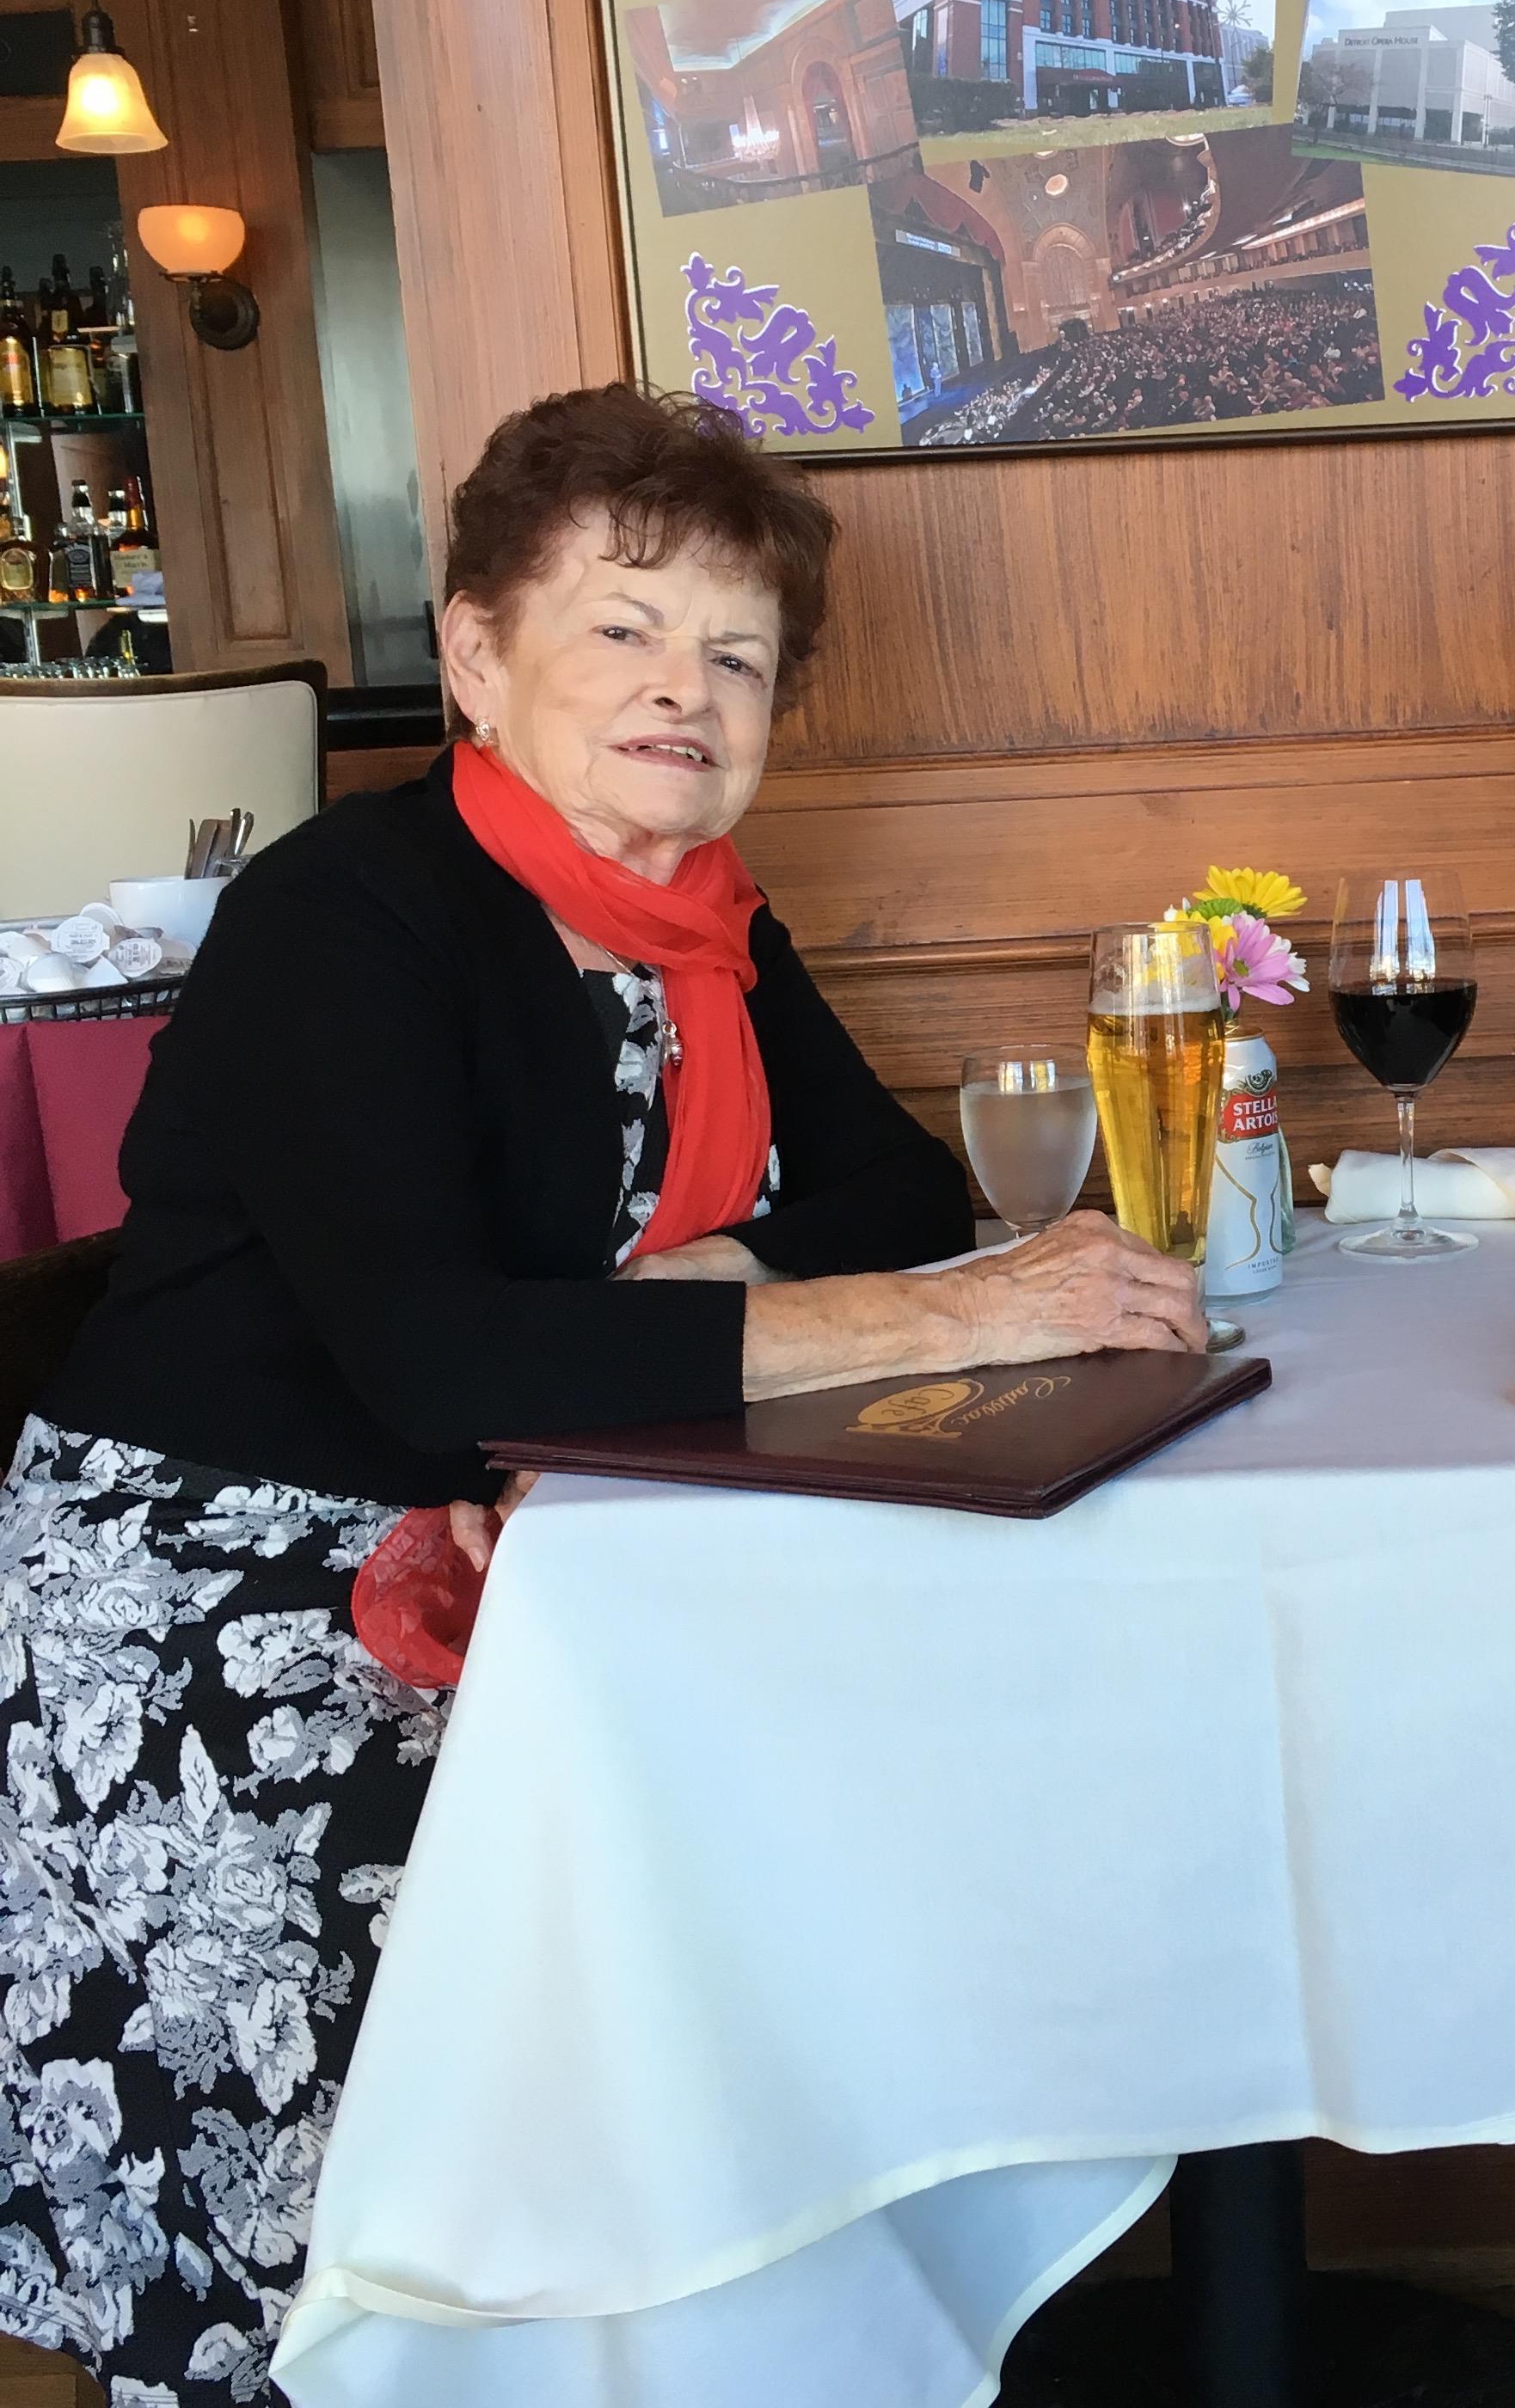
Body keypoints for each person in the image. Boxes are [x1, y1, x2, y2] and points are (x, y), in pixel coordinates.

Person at [0, 383, 1205, 2397]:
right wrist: (933, 1322)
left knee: (794, 1846)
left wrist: (692, 1283)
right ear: (477, 652)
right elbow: (438, 1352)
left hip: (520, 1511)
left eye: (738, 654)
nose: (688, 689)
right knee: (552, 2023)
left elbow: (893, 1190)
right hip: (226, 1607)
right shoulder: (347, 917)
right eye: (627, 628)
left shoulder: (703, 934)